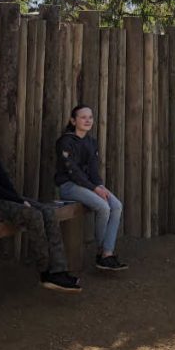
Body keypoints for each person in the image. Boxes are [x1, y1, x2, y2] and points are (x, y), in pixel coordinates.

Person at [0, 116, 81, 292]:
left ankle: (59, 269)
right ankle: (46, 272)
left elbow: (5, 183)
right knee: (33, 215)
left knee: (47, 211)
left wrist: (18, 199)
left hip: (5, 200)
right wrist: (20, 202)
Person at [55, 105, 127, 271]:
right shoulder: (65, 142)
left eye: (90, 117)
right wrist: (95, 189)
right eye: (83, 117)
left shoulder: (91, 142)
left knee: (116, 206)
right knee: (103, 207)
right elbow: (73, 172)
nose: (88, 120)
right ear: (73, 121)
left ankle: (107, 251)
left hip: (89, 187)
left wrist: (100, 186)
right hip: (69, 186)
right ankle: (103, 254)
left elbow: (94, 171)